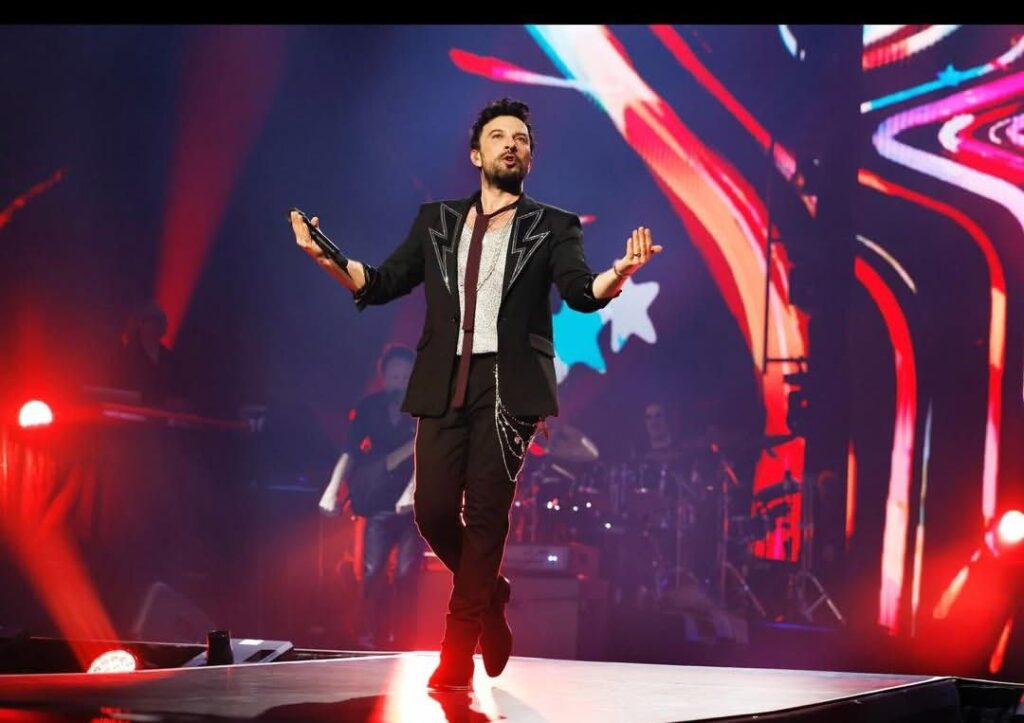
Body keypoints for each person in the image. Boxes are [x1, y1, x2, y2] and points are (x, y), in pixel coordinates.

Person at [289, 97, 662, 689]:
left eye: (521, 139)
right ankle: (492, 594)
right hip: (444, 383)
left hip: (509, 389)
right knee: (432, 512)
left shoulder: (553, 226)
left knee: (487, 516)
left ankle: (456, 649)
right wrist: (325, 254)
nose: (511, 144)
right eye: (498, 136)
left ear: (530, 158)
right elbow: (380, 283)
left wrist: (619, 272)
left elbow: (581, 292)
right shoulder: (436, 222)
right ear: (476, 154)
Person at [319, 344, 423, 650]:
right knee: (371, 572)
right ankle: (367, 639)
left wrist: (412, 491)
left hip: (414, 507)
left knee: (406, 573)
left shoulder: (427, 408)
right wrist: (332, 488)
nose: (400, 383)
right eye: (394, 377)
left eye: (406, 377)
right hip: (378, 499)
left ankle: (402, 640)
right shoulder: (369, 407)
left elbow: (430, 454)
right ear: (383, 377)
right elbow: (350, 451)